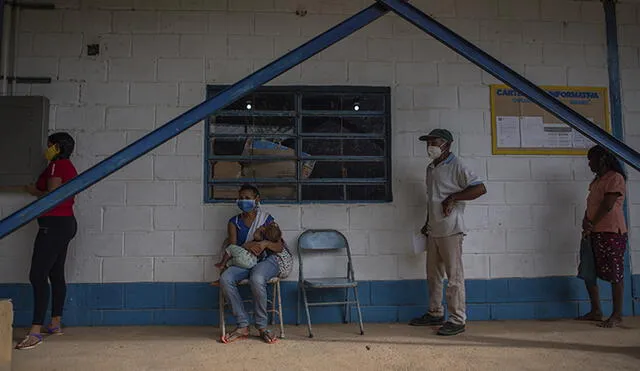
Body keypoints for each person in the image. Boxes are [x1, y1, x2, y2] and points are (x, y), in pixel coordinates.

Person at [409, 129, 486, 336]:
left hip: (451, 229)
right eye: (428, 143)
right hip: (434, 229)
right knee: (433, 275)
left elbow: (480, 189)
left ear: (447, 145)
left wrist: (453, 198)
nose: (430, 146)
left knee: (454, 277)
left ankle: (457, 319)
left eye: (435, 142)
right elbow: (432, 198)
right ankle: (435, 312)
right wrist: (427, 223)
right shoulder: (431, 168)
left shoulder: (458, 166)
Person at [16, 132, 79, 350]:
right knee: (55, 273)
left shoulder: (55, 166)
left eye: (50, 145)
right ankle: (55, 324)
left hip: (53, 225)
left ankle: (34, 332)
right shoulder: (68, 166)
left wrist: (33, 190)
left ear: (58, 147)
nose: (47, 148)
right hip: (66, 224)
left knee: (37, 274)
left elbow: (52, 194)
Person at [219, 184, 293, 344]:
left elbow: (279, 246)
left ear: (256, 199)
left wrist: (265, 244)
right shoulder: (234, 222)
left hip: (268, 260)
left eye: (247, 198)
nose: (243, 201)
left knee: (257, 278)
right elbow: (233, 249)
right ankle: (243, 325)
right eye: (241, 198)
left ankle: (262, 326)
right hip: (246, 261)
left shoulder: (266, 219)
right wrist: (248, 245)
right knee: (226, 278)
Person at [577, 145, 628, 328]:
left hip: (611, 231)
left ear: (603, 160)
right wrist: (586, 221)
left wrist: (591, 223)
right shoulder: (597, 181)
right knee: (589, 271)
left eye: (592, 159)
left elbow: (607, 205)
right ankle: (596, 310)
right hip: (594, 232)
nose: (589, 164)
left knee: (615, 273)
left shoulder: (615, 178)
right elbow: (591, 205)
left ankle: (616, 314)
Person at [214, 223, 282, 271]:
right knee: (231, 262)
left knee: (230, 247)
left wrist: (260, 229)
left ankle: (222, 264)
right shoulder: (268, 246)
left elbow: (255, 236)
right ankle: (226, 265)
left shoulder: (261, 243)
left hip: (246, 257)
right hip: (251, 264)